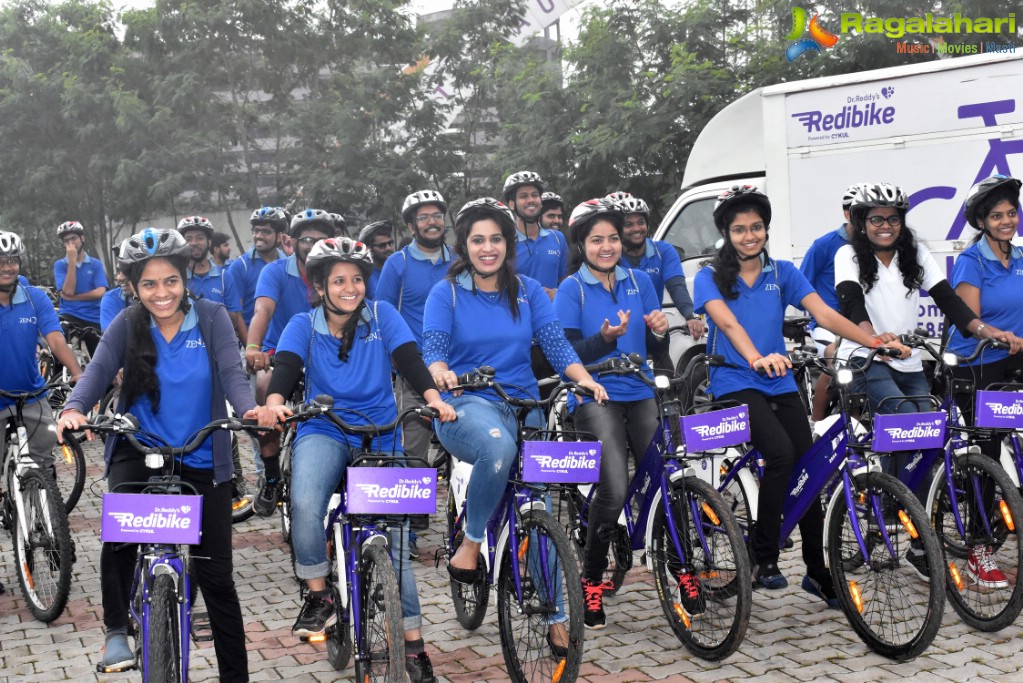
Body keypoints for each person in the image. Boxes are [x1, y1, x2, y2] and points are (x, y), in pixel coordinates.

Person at [57, 227, 275, 681]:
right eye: (149, 284)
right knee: (119, 538)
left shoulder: (213, 319)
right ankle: (117, 628)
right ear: (134, 287)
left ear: (184, 279)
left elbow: (233, 375)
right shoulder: (125, 323)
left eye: (170, 281)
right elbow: (96, 373)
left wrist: (252, 408)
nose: (161, 293)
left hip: (201, 454)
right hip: (140, 449)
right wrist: (75, 409)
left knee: (217, 581)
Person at [694, 185, 908, 600]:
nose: (749, 236)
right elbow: (729, 325)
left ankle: (817, 569)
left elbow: (825, 312)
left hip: (777, 379)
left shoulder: (782, 273)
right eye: (739, 229)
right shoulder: (708, 276)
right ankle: (765, 554)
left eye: (756, 227)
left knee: (810, 466)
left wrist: (872, 342)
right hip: (734, 381)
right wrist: (757, 357)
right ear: (726, 233)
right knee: (780, 453)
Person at [263, 237, 453, 683]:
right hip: (323, 429)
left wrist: (434, 399)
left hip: (381, 435)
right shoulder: (303, 324)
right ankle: (319, 594)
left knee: (398, 548)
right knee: (306, 505)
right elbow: (286, 367)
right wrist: (274, 401)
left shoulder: (383, 316)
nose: (350, 288)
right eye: (339, 280)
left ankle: (414, 648)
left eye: (357, 279)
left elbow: (410, 360)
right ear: (319, 286)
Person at [422, 198, 607, 652]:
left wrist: (585, 380)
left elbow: (557, 345)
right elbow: (433, 348)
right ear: (464, 246)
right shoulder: (445, 292)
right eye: (478, 240)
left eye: (497, 239)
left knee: (539, 509)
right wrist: (442, 372)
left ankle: (557, 616)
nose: (489, 248)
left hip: (525, 405)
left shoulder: (525, 289)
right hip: (466, 405)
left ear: (508, 243)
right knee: (497, 448)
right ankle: (471, 542)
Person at [553, 198, 667, 628]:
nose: (607, 246)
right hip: (592, 395)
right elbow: (562, 352)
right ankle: (591, 579)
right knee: (615, 488)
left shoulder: (639, 280)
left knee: (662, 478)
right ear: (581, 244)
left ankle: (681, 571)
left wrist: (659, 333)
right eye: (596, 239)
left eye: (613, 238)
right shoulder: (572, 289)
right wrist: (602, 339)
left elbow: (653, 347)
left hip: (639, 390)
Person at [834, 182, 1021, 415]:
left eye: (893, 219)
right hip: (866, 358)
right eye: (877, 220)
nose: (886, 226)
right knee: (907, 420)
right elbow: (851, 303)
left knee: (930, 428)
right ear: (862, 223)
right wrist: (875, 339)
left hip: (908, 361)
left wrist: (987, 331)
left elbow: (949, 301)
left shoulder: (916, 253)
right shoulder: (848, 255)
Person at [947, 175, 1023, 587]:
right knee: (987, 457)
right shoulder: (971, 262)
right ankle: (978, 550)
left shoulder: (1022, 256)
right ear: (982, 220)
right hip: (978, 366)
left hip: (1016, 357)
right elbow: (972, 321)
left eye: (1011, 212)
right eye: (997, 215)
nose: (1007, 220)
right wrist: (999, 335)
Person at [377, 191, 454, 557]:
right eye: (423, 217)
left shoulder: (458, 260)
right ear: (411, 226)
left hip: (456, 365)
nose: (432, 221)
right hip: (414, 367)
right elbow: (382, 314)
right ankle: (416, 512)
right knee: (414, 444)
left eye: (437, 215)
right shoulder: (398, 264)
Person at [246, 209, 335, 517]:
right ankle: (271, 477)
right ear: (293, 241)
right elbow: (262, 312)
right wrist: (253, 347)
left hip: (325, 353)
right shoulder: (275, 271)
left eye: (321, 239)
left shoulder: (338, 271)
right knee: (263, 386)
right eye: (306, 239)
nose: (313, 246)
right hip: (278, 352)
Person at [1, 230, 83, 471]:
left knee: (44, 464)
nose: (7, 267)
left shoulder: (34, 298)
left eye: (12, 260)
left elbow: (56, 341)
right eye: (0, 261)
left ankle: (46, 505)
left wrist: (77, 372)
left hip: (31, 395)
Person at [798, 183, 868, 420]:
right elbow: (801, 288)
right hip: (827, 327)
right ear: (847, 214)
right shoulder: (823, 245)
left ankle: (856, 427)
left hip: (862, 323)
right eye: (858, 211)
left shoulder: (874, 245)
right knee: (835, 357)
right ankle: (816, 425)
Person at [615, 193, 704, 342]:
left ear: (648, 225)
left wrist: (690, 316)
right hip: (620, 331)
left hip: (655, 331)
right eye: (628, 224)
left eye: (641, 222)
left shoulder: (663, 251)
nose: (636, 228)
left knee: (665, 365)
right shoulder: (612, 255)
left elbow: (676, 287)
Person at [178, 216, 247, 343]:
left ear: (209, 242)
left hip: (220, 345)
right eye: (188, 239)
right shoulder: (176, 278)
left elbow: (234, 318)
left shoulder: (224, 276)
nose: (194, 243)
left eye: (199, 238)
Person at [502, 171, 568, 298]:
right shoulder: (504, 242)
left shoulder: (557, 238)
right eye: (523, 196)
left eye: (535, 195)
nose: (531, 200)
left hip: (552, 315)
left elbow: (567, 282)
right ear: (512, 204)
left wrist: (557, 294)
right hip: (518, 315)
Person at [53, 220, 108, 355]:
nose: (71, 244)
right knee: (58, 349)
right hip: (68, 314)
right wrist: (71, 261)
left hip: (93, 317)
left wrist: (73, 297)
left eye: (74, 238)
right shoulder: (60, 265)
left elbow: (100, 292)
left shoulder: (95, 264)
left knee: (101, 360)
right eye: (66, 241)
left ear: (82, 238)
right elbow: (68, 291)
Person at [228, 206, 288, 327]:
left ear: (279, 236)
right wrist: (251, 344)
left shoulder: (288, 263)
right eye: (256, 231)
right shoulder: (240, 266)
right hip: (253, 340)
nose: (259, 236)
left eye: (266, 232)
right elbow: (236, 315)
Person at [357, 220, 396, 297]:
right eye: (382, 245)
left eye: (390, 243)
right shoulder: (364, 276)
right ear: (368, 249)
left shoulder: (398, 270)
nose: (388, 248)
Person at [100, 241, 133, 331]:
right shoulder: (111, 299)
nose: (119, 278)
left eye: (127, 271)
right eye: (118, 271)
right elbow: (111, 342)